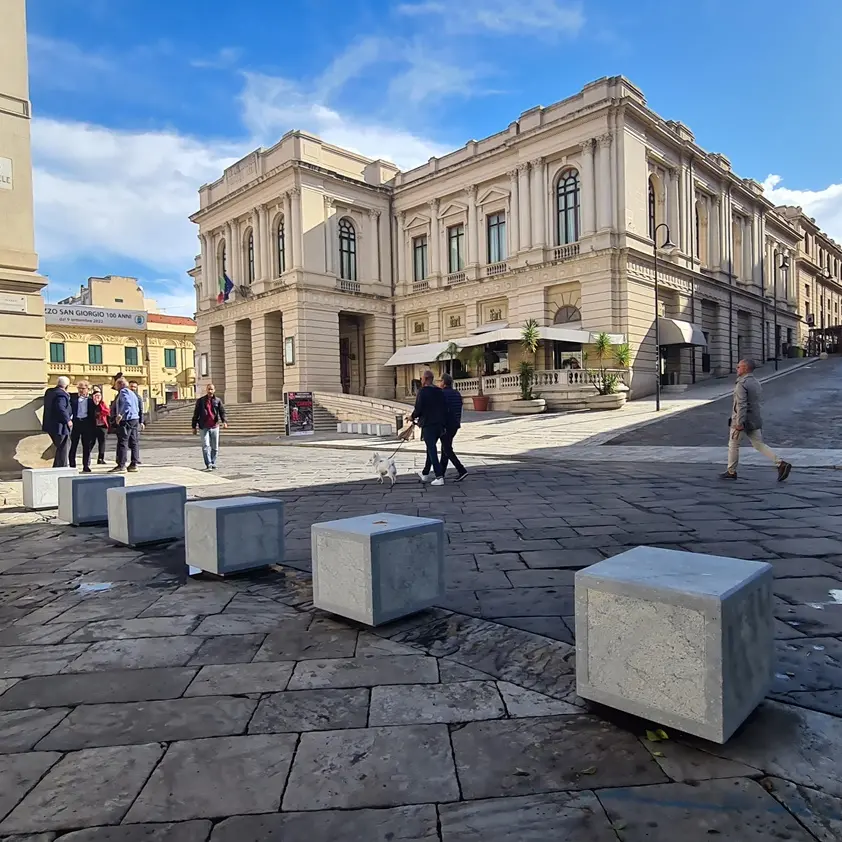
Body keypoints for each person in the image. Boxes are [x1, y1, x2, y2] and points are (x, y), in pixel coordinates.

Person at [722, 358, 792, 482]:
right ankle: (780, 463)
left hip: (742, 420)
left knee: (733, 444)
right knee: (759, 444)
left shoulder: (741, 384)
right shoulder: (755, 382)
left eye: (739, 367)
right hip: (754, 419)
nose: (736, 369)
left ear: (745, 368)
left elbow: (741, 405)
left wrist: (739, 423)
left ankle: (731, 471)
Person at [412, 369, 447, 487]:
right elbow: (444, 408)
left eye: (422, 378)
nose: (421, 380)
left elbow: (418, 409)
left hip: (428, 425)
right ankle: (425, 473)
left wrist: (412, 417)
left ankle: (439, 476)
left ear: (426, 379)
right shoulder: (439, 391)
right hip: (439, 425)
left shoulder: (422, 392)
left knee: (431, 449)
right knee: (430, 448)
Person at [438, 373, 468, 481]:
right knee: (445, 448)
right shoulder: (457, 393)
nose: (439, 383)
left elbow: (440, 410)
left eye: (440, 381)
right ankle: (441, 473)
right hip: (455, 425)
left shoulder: (441, 394)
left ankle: (461, 470)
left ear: (444, 382)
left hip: (446, 425)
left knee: (447, 449)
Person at [191, 383, 228, 470]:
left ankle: (213, 462)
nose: (210, 391)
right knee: (206, 446)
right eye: (208, 389)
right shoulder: (200, 401)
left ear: (214, 390)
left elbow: (222, 412)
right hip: (203, 426)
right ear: (206, 390)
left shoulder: (217, 400)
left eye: (211, 389)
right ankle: (209, 464)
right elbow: (196, 414)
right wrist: (194, 427)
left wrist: (224, 422)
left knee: (215, 447)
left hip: (214, 426)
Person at [110, 377, 142, 473]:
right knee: (133, 441)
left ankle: (121, 465)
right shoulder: (133, 393)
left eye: (115, 385)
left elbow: (127, 404)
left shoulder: (124, 392)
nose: (115, 387)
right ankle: (133, 464)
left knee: (122, 441)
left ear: (120, 384)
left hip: (126, 420)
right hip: (134, 419)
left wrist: (121, 414)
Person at [44, 376, 73, 467]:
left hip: (50, 424)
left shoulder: (49, 392)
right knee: (64, 447)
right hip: (60, 426)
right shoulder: (61, 395)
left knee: (59, 447)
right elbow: (61, 408)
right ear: (66, 385)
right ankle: (62, 466)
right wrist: (68, 420)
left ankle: (57, 466)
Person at [69, 380, 96, 472]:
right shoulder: (73, 398)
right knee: (73, 445)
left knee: (86, 446)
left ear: (88, 389)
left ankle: (86, 465)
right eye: (79, 388)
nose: (81, 390)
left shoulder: (92, 399)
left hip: (87, 423)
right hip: (76, 422)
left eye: (83, 388)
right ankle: (72, 465)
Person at [91, 387, 110, 465]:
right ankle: (87, 456)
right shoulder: (91, 403)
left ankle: (100, 458)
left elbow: (107, 412)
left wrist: (101, 410)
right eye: (96, 396)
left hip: (102, 426)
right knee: (91, 442)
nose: (98, 397)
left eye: (99, 396)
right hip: (93, 426)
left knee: (102, 443)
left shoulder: (102, 404)